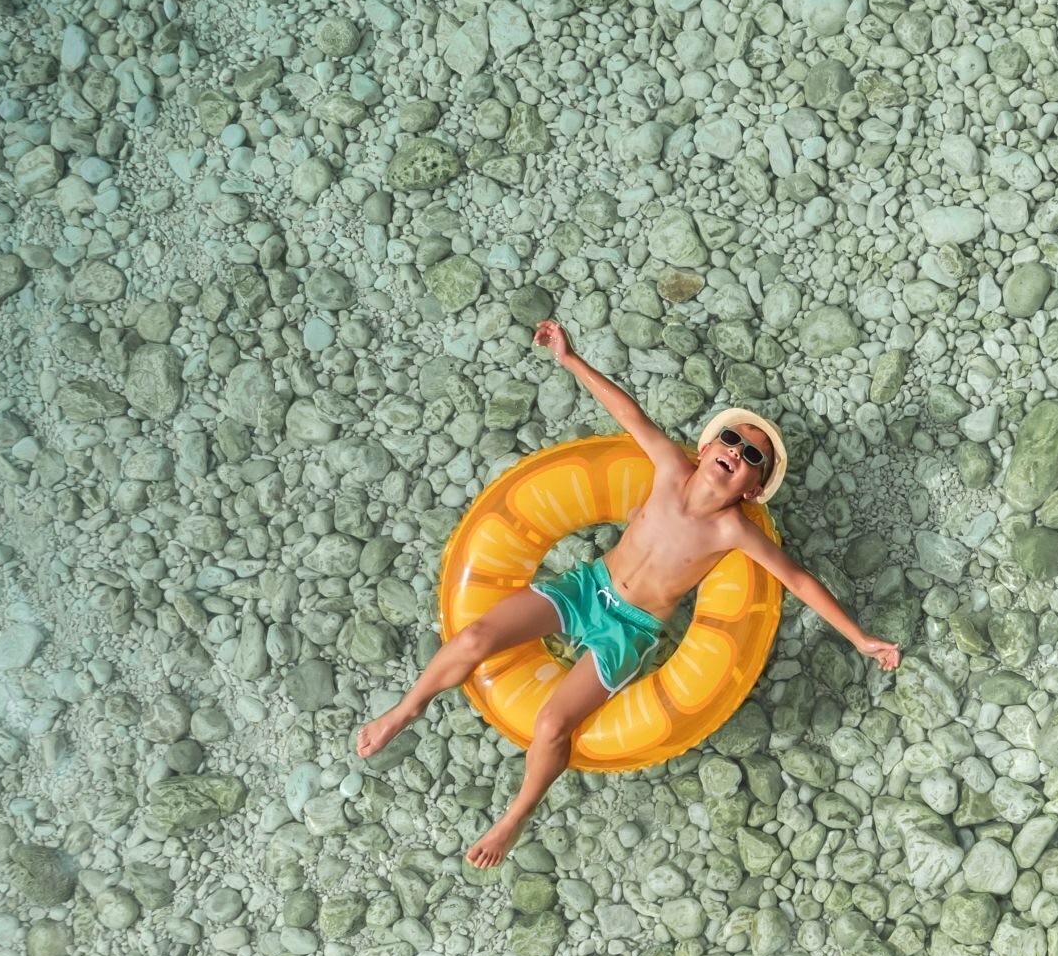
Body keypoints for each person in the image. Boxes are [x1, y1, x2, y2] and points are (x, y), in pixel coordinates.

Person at [357, 321, 900, 866]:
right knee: (477, 634)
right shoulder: (668, 469)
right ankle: (404, 711)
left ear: (752, 489)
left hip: (629, 630)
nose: (736, 452)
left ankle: (515, 817)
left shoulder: (733, 531)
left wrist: (859, 638)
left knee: (551, 724)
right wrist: (569, 359)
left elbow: (799, 580)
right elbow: (629, 413)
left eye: (751, 457)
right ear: (709, 446)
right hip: (586, 588)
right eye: (732, 440)